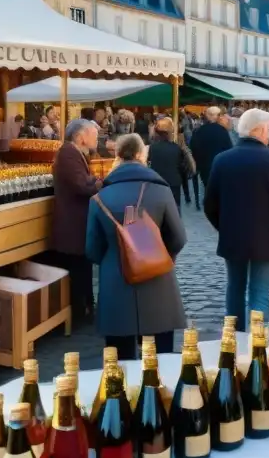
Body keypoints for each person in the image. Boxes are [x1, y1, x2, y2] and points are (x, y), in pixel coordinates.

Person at [86, 133, 187, 360]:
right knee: (162, 360)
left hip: (115, 282)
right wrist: (159, 257)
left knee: (119, 362)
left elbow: (92, 249)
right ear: (142, 155)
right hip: (157, 279)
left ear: (117, 156)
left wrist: (114, 257)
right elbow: (179, 237)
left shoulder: (100, 197)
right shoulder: (161, 191)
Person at [204, 109, 269, 330]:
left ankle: (234, 339)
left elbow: (210, 203)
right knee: (261, 291)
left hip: (233, 237)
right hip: (266, 238)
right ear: (258, 130)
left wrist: (224, 227)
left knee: (235, 287)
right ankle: (256, 343)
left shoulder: (222, 159)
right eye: (268, 129)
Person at [51, 118, 102, 324]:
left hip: (77, 223)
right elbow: (82, 185)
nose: (97, 139)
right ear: (81, 137)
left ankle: (87, 307)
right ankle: (81, 312)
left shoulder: (75, 153)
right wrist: (99, 182)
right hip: (72, 225)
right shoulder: (68, 153)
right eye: (93, 135)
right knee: (78, 270)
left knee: (84, 268)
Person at [190, 106, 233, 209]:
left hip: (204, 165)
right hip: (220, 165)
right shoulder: (223, 131)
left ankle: (209, 201)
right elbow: (229, 148)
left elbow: (193, 147)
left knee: (207, 184)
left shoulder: (198, 131)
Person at [147, 116, 193, 210]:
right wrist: (187, 194)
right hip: (173, 184)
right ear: (170, 132)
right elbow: (183, 170)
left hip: (157, 183)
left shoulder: (152, 148)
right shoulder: (176, 148)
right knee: (175, 210)